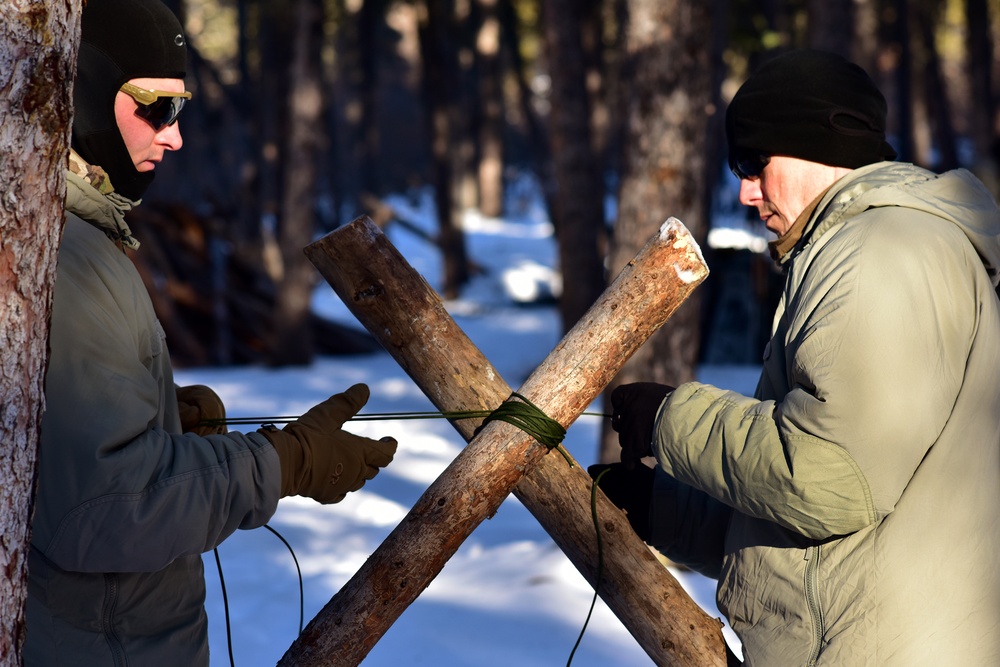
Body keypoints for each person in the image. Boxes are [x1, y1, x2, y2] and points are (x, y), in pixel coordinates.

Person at [593, 49, 1000, 665]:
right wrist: (671, 512)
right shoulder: (867, 247)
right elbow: (832, 515)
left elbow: (829, 475)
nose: (744, 192)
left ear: (821, 141)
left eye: (756, 164)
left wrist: (671, 419)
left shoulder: (882, 252)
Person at [26, 0, 397, 664]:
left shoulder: (71, 242)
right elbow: (106, 508)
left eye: (181, 110)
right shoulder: (66, 260)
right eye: (155, 109)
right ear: (83, 92)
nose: (175, 136)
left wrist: (158, 420)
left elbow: (56, 459)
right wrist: (283, 463)